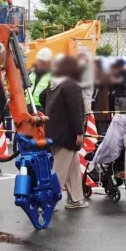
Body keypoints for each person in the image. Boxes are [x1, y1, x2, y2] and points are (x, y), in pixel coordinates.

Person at [44, 55, 88, 209]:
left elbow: (43, 97)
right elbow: (75, 111)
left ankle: (76, 198)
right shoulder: (71, 85)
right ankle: (49, 201)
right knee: (60, 169)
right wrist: (80, 133)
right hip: (67, 132)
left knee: (73, 167)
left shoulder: (54, 83)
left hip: (53, 130)